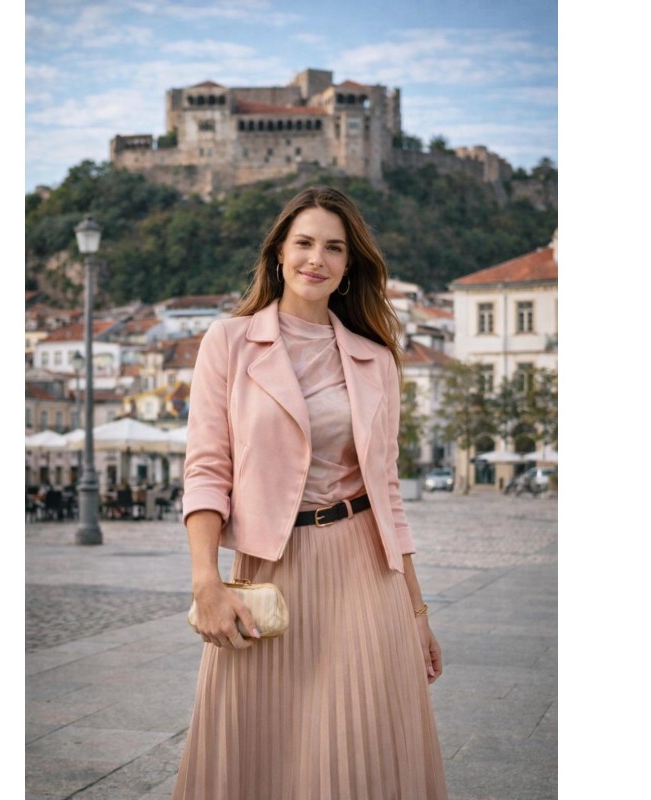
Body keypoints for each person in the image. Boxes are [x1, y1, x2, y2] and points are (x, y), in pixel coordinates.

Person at [172, 186, 448, 799]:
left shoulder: (377, 360)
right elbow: (206, 470)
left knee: (359, 746)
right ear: (278, 254)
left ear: (350, 266)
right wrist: (205, 583)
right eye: (303, 243)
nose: (315, 259)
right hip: (273, 571)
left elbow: (389, 494)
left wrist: (417, 613)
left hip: (364, 573)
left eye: (333, 247)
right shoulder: (230, 342)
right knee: (264, 745)